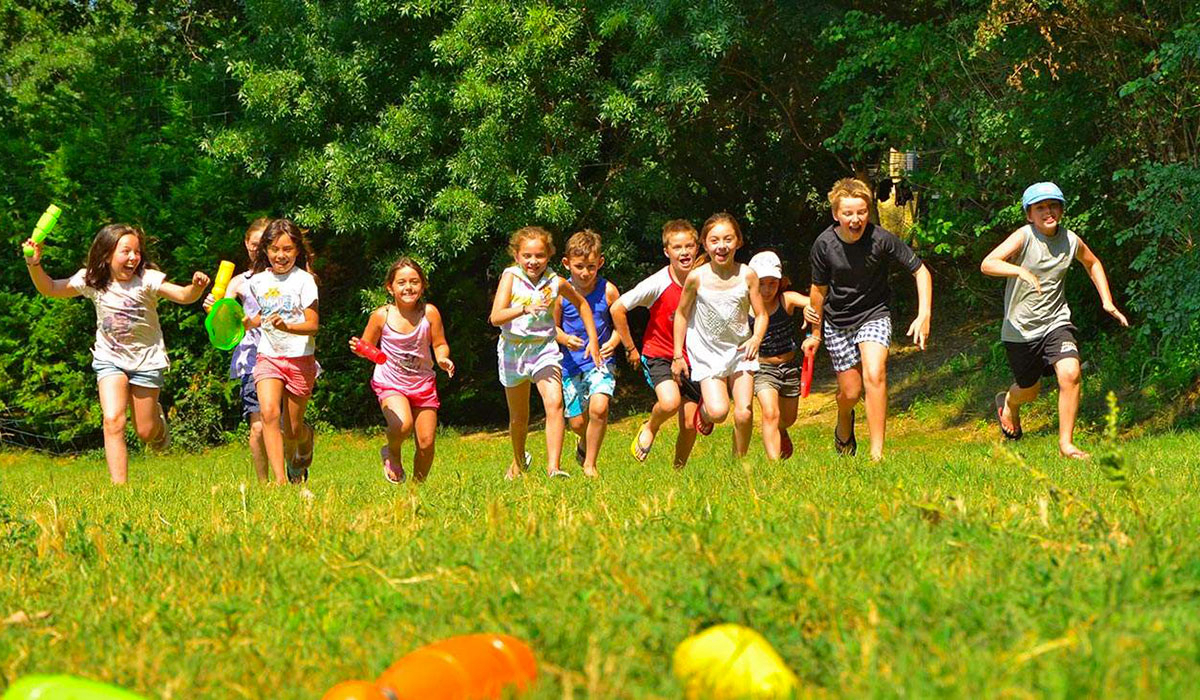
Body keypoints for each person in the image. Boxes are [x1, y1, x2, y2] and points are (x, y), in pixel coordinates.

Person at [22, 224, 210, 483]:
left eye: (137, 251)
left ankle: (158, 422)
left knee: (145, 432)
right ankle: (119, 488)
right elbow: (51, 288)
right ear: (106, 254)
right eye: (126, 251)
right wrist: (34, 264)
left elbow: (182, 295)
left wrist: (196, 288)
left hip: (146, 359)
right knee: (112, 420)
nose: (133, 257)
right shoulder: (92, 280)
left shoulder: (147, 279)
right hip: (109, 359)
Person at [981, 181, 1129, 459]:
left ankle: (1066, 445)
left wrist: (1106, 300)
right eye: (1040, 208)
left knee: (1071, 373)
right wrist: (1019, 272)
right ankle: (1010, 403)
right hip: (1020, 330)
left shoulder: (1071, 240)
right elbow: (988, 263)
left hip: (1055, 322)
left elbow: (1093, 263)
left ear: (1060, 210)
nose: (1048, 212)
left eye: (1053, 206)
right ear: (1029, 214)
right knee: (1030, 390)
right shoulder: (1024, 236)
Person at [801, 177, 932, 461]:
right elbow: (818, 290)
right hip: (838, 322)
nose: (855, 219)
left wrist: (924, 314)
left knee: (875, 374)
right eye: (848, 213)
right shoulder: (824, 245)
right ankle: (844, 419)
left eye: (861, 212)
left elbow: (921, 272)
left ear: (868, 211)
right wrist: (815, 334)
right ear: (836, 214)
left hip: (874, 314)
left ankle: (877, 455)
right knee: (850, 392)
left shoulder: (881, 239)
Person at [489, 226, 602, 480]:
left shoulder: (556, 282)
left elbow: (583, 304)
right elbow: (496, 317)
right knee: (519, 418)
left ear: (549, 255)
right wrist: (524, 308)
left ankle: (554, 468)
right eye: (527, 255)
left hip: (544, 349)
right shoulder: (510, 277)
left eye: (539, 255)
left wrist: (592, 340)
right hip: (513, 350)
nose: (533, 261)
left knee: (555, 404)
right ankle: (518, 462)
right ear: (517, 256)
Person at [672, 213, 768, 458]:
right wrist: (677, 356)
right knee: (718, 412)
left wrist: (756, 338)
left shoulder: (747, 275)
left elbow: (761, 314)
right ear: (705, 244)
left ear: (738, 242)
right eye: (714, 240)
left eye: (728, 239)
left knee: (744, 412)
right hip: (707, 353)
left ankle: (739, 462)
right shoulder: (696, 278)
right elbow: (681, 315)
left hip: (740, 350)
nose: (721, 246)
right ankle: (704, 411)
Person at [351, 257, 454, 483]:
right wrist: (361, 348)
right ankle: (392, 452)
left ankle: (417, 490)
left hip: (423, 384)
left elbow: (439, 343)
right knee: (402, 424)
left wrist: (443, 358)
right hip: (390, 382)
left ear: (423, 285)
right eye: (402, 282)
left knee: (426, 443)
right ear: (390, 287)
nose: (408, 287)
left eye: (414, 282)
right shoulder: (382, 316)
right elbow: (367, 347)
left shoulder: (430, 313)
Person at [610, 220, 702, 468]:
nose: (684, 252)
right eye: (677, 247)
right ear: (666, 252)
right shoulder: (657, 283)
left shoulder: (706, 277)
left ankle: (678, 470)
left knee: (689, 423)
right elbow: (617, 308)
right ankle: (651, 426)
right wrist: (630, 348)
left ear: (697, 247)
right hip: (659, 353)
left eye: (689, 246)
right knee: (670, 402)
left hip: (695, 358)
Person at [245, 218, 319, 484]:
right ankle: (280, 482)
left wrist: (286, 325)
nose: (281, 255)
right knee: (268, 413)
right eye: (275, 249)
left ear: (297, 251)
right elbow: (262, 316)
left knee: (293, 429)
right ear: (265, 250)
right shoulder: (258, 281)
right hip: (269, 356)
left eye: (287, 249)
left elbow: (312, 325)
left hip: (299, 359)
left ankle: (305, 438)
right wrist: (245, 322)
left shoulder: (305, 281)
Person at [204, 218, 271, 481]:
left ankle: (295, 465)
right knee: (258, 427)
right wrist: (213, 306)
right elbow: (223, 315)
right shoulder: (238, 282)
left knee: (288, 426)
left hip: (286, 353)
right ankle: (266, 484)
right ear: (246, 244)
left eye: (265, 244)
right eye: (255, 244)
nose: (259, 250)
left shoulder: (289, 277)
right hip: (252, 358)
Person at [553, 230, 622, 478]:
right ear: (566, 263)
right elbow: (552, 327)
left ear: (600, 263)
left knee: (600, 408)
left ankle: (590, 464)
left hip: (601, 360)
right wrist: (563, 338)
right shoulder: (561, 294)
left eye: (591, 267)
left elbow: (620, 326)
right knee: (578, 423)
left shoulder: (608, 291)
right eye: (579, 266)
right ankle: (583, 442)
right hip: (571, 364)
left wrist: (613, 342)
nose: (585, 273)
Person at [747, 251, 813, 461]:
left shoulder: (787, 300)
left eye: (772, 284)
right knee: (770, 413)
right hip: (762, 368)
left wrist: (808, 309)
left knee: (788, 418)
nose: (767, 290)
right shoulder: (745, 307)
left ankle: (781, 431)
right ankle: (774, 465)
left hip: (789, 367)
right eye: (761, 284)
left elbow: (815, 302)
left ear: (780, 282)